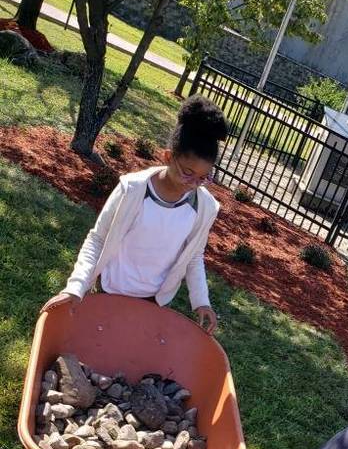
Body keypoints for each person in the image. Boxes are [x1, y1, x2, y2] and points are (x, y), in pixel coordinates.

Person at [42, 96, 227, 333]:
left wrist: (201, 301)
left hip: (155, 301)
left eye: (203, 178)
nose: (193, 183)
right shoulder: (133, 189)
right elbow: (98, 239)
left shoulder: (205, 208)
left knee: (131, 358)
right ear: (168, 157)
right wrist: (76, 287)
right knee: (100, 345)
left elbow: (194, 256)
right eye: (187, 173)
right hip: (110, 289)